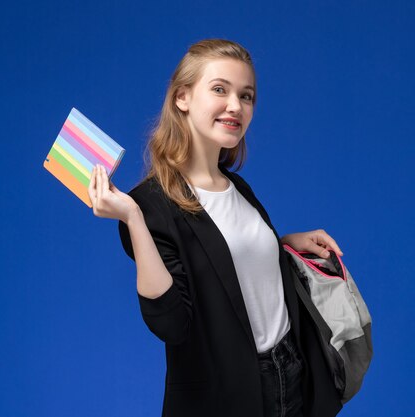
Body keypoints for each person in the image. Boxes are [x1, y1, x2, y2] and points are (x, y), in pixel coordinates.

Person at [88, 39, 345, 417]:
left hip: (292, 374)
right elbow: (171, 322)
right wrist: (133, 219)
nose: (235, 106)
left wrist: (283, 244)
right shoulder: (151, 205)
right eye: (220, 89)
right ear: (182, 98)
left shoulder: (237, 187)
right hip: (228, 394)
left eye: (247, 96)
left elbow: (227, 263)